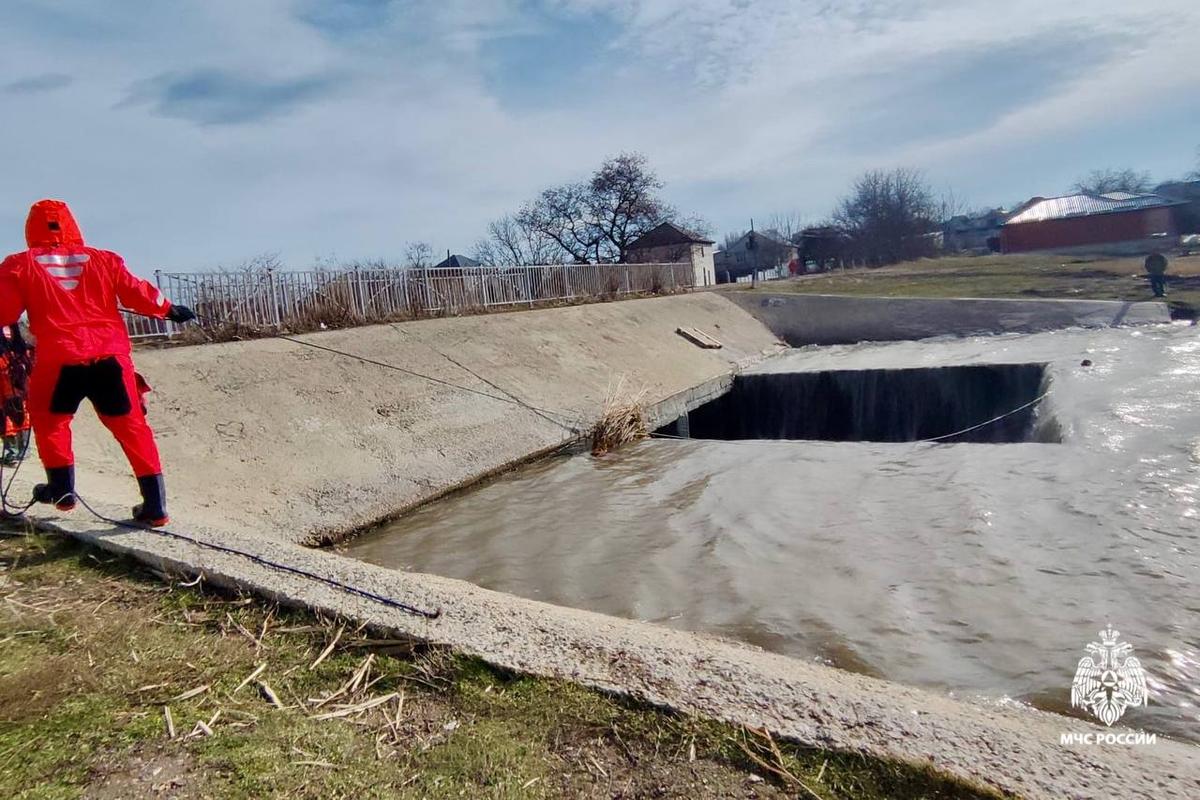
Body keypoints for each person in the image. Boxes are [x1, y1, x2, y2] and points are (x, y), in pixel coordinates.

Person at [0, 199, 195, 525]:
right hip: (110, 357)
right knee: (133, 428)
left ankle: (62, 492)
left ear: (30, 229)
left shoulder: (18, 265)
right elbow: (136, 291)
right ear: (72, 224)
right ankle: (155, 506)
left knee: (51, 424)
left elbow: (5, 312)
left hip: (59, 358)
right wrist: (170, 310)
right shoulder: (104, 259)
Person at [0, 325, 32, 466]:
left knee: (15, 410)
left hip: (11, 371)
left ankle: (17, 449)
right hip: (11, 368)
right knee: (11, 411)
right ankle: (15, 449)